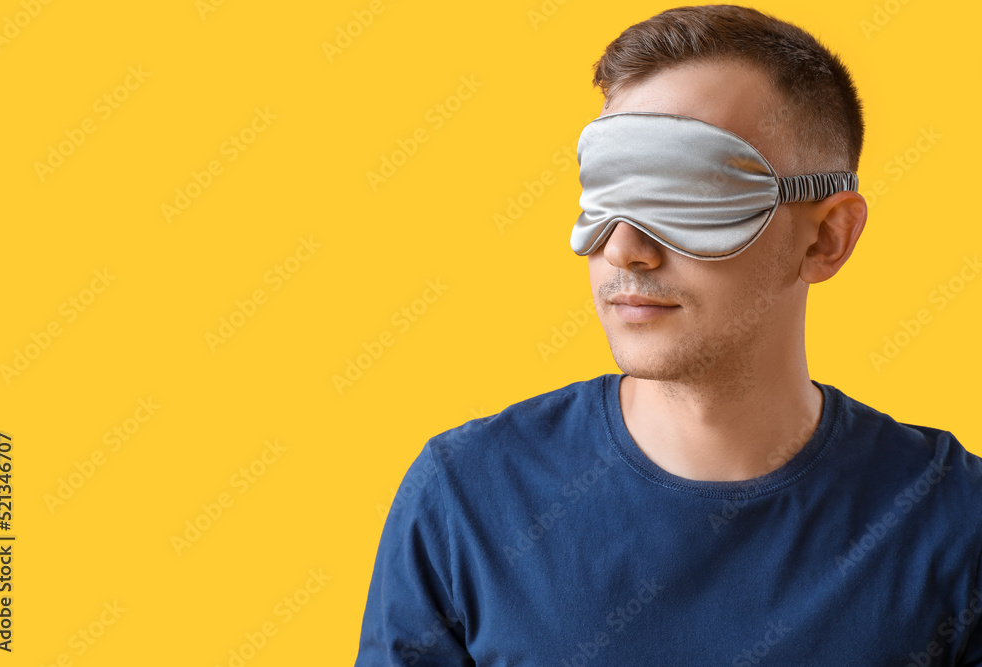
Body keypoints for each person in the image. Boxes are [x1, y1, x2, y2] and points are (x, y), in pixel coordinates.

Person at [355, 5, 982, 665]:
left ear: (826, 237)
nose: (625, 248)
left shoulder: (954, 526)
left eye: (689, 194)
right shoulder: (466, 500)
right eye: (605, 195)